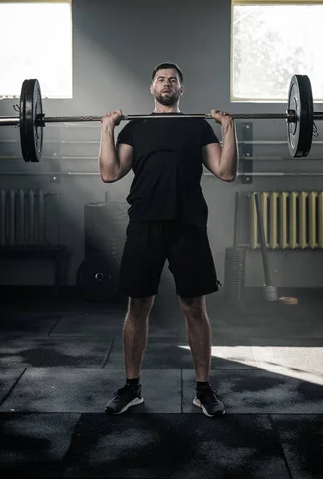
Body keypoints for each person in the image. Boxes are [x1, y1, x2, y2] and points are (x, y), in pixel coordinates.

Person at [99, 62, 238, 417]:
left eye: (173, 80)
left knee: (195, 308)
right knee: (138, 307)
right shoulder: (136, 127)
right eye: (161, 79)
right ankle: (132, 388)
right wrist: (106, 130)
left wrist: (229, 128)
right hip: (144, 224)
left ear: (181, 90)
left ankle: (203, 390)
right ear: (151, 88)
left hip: (187, 225)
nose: (166, 84)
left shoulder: (196, 126)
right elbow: (110, 172)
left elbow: (225, 171)